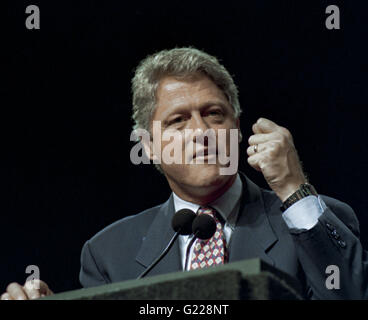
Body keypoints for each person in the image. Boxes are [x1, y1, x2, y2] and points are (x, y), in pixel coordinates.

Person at [1, 47, 367, 300]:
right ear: (148, 146)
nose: (201, 131)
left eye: (213, 113)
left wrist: (293, 187)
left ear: (236, 129)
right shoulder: (108, 253)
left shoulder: (312, 223)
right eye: (178, 120)